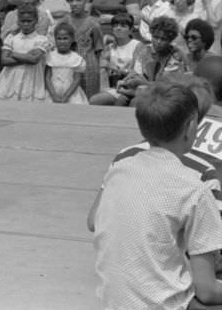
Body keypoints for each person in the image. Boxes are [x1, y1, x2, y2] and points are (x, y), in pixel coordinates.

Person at [91, 83, 222, 310]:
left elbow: (93, 221)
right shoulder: (196, 185)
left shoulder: (121, 166)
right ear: (192, 126)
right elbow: (208, 291)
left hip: (113, 300)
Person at [0, 4, 51, 101]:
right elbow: (4, 60)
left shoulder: (41, 40)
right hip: (10, 81)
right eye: (23, 21)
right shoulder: (11, 38)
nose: (26, 24)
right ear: (18, 21)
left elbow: (34, 59)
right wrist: (27, 57)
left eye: (29, 21)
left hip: (31, 81)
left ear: (36, 21)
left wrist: (13, 54)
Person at [90, 14, 146, 106]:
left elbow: (136, 73)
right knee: (94, 100)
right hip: (114, 86)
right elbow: (102, 68)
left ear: (131, 29)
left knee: (100, 100)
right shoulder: (110, 47)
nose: (118, 28)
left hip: (131, 86)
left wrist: (116, 69)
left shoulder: (138, 46)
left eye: (123, 26)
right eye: (115, 26)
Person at [63, 0, 103, 98]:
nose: (74, 3)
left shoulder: (93, 23)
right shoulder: (64, 22)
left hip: (89, 67)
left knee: (89, 98)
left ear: (86, 0)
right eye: (71, 0)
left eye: (78, 0)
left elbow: (99, 48)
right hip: (69, 65)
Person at [44, 22, 87, 104]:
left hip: (71, 94)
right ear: (55, 39)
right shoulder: (50, 56)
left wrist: (66, 96)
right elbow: (47, 78)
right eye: (59, 38)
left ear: (72, 39)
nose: (62, 41)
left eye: (65, 38)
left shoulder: (76, 58)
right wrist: (53, 95)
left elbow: (77, 79)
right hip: (52, 93)